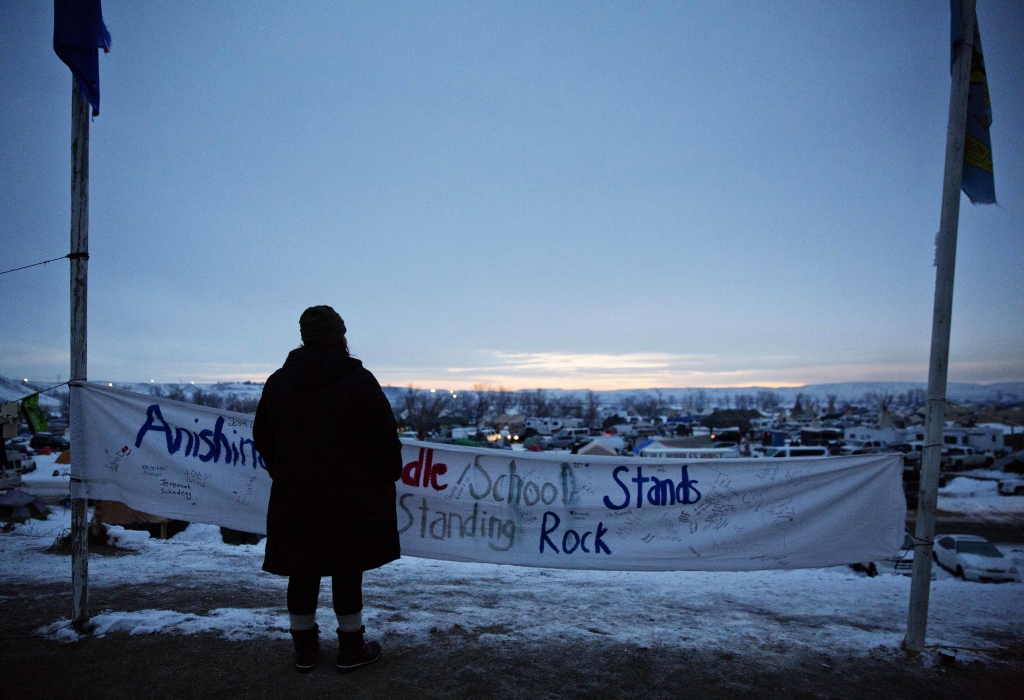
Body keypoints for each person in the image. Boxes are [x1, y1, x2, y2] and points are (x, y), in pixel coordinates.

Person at [253, 305, 403, 673]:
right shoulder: (358, 380)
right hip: (352, 497)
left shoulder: (278, 382)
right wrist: (388, 473)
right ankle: (351, 647)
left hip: (295, 496)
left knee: (301, 568)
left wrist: (286, 474)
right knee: (347, 567)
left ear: (304, 338)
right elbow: (384, 438)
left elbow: (262, 437)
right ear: (340, 337)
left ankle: (304, 649)